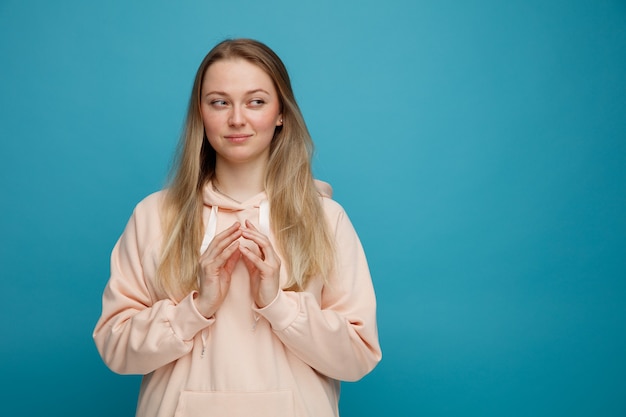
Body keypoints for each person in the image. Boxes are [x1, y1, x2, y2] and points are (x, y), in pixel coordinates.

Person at [93, 38, 381, 417]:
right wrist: (197, 307)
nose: (237, 119)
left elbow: (358, 356)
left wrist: (278, 304)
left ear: (281, 114)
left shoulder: (326, 219)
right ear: (201, 113)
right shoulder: (153, 216)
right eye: (220, 102)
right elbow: (115, 349)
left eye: (256, 101)